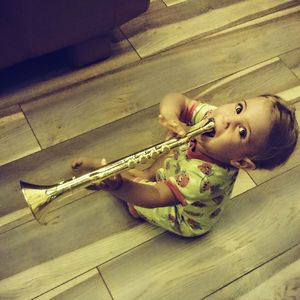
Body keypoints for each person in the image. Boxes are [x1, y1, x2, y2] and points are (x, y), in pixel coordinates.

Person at [72, 93, 298, 237]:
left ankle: (117, 187)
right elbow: (177, 99)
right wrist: (171, 115)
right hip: (182, 168)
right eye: (239, 108)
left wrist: (121, 188)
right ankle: (145, 173)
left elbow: (156, 197)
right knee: (166, 158)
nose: (228, 119)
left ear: (240, 162)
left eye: (242, 131)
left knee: (137, 193)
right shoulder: (214, 116)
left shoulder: (205, 181)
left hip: (183, 215)